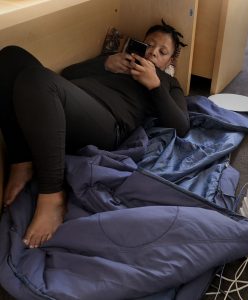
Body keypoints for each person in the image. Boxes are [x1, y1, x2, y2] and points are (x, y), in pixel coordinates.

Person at [0, 20, 190, 249]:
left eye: (162, 52)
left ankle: (52, 195)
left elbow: (181, 126)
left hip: (107, 122)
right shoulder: (117, 61)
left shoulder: (167, 82)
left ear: (170, 61)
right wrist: (106, 63)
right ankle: (22, 160)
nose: (152, 53)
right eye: (149, 45)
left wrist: (155, 86)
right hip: (72, 101)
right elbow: (69, 74)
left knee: (37, 80)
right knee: (10, 56)